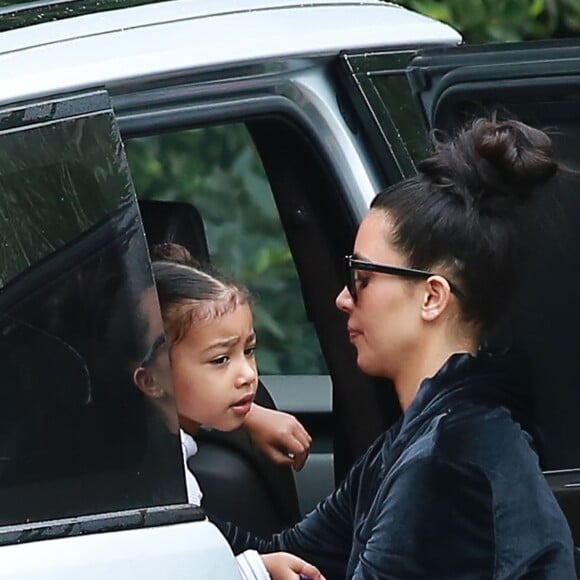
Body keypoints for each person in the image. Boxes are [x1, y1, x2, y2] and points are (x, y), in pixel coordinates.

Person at [213, 115, 577, 578]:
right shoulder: (424, 437)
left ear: (431, 297)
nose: (343, 298)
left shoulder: (450, 463)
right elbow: (287, 555)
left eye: (361, 278)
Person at [133, 244, 325, 580]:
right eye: (220, 359)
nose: (248, 374)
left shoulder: (148, 442)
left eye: (248, 350)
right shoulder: (165, 482)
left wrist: (251, 415)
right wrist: (255, 571)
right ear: (151, 380)